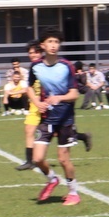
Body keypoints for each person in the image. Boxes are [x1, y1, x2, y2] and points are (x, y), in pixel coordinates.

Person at [26, 28, 82, 206]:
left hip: (65, 118)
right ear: (42, 45)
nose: (53, 45)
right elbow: (29, 87)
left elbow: (75, 94)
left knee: (63, 159)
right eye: (50, 42)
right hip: (47, 117)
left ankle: (73, 193)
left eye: (56, 42)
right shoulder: (36, 67)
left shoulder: (66, 66)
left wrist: (60, 97)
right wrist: (36, 100)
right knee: (37, 158)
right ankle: (52, 179)